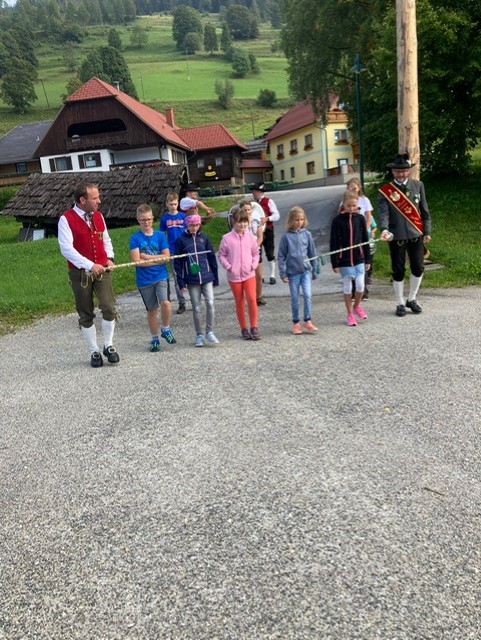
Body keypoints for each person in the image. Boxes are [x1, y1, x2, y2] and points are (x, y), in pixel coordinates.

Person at [58, 181, 120, 368]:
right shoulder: (66, 219)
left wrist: (109, 258)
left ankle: (108, 345)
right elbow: (66, 249)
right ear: (82, 200)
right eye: (95, 198)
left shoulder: (99, 216)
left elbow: (106, 239)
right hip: (79, 273)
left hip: (102, 270)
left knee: (109, 307)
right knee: (85, 312)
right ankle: (94, 351)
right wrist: (89, 265)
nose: (99, 201)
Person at [377, 153, 432, 317]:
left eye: (403, 171)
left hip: (415, 234)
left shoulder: (418, 185)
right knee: (398, 269)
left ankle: (412, 298)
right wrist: (384, 229)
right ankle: (400, 302)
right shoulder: (386, 191)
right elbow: (383, 213)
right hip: (396, 236)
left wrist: (427, 231)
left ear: (408, 171)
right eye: (397, 171)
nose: (400, 174)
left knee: (418, 267)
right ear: (393, 172)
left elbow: (424, 210)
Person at [129, 204, 177, 352]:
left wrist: (146, 257)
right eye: (143, 220)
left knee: (166, 303)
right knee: (152, 310)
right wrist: (157, 259)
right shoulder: (135, 238)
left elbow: (166, 257)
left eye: (149, 219)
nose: (146, 222)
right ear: (138, 220)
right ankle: (154, 338)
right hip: (144, 280)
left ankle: (166, 328)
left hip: (160, 275)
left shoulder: (160, 235)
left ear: (152, 219)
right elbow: (137, 261)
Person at [174, 212, 219, 347]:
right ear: (187, 225)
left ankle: (209, 331)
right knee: (196, 307)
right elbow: (178, 263)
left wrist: (215, 277)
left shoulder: (204, 238)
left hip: (207, 277)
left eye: (197, 225)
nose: (194, 228)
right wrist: (181, 281)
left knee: (210, 303)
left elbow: (212, 257)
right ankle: (199, 334)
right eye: (192, 225)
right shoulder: (181, 240)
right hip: (192, 280)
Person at [218, 207, 261, 340]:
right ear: (233, 222)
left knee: (252, 299)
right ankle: (243, 328)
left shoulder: (251, 237)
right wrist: (229, 267)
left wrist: (253, 265)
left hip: (249, 274)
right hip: (234, 276)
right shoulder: (226, 238)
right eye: (239, 222)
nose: (242, 225)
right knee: (239, 301)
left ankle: (254, 326)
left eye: (244, 222)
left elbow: (255, 253)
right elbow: (221, 255)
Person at [330, 191, 371, 327]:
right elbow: (334, 242)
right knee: (347, 287)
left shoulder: (360, 218)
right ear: (343, 205)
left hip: (359, 258)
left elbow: (365, 240)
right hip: (344, 260)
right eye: (349, 206)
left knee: (360, 286)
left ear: (357, 204)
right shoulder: (337, 221)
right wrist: (335, 262)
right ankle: (349, 314)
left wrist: (368, 259)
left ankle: (357, 306)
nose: (352, 208)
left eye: (354, 205)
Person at [277, 206, 319, 335]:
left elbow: (312, 253)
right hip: (292, 273)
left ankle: (307, 320)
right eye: (296, 220)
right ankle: (296, 323)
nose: (299, 222)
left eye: (301, 219)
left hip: (305, 271)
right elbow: (281, 256)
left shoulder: (307, 234)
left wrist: (314, 269)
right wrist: (283, 273)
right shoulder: (286, 237)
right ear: (291, 220)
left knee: (307, 295)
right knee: (295, 298)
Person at [228, 199, 265, 305]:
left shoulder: (256, 221)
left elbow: (260, 237)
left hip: (255, 250)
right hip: (243, 252)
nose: (247, 211)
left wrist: (254, 247)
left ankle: (258, 297)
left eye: (249, 209)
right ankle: (247, 297)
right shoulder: (239, 223)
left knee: (258, 275)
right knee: (246, 276)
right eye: (245, 210)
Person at [160, 191, 187, 314]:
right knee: (177, 276)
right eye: (171, 204)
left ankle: (195, 299)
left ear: (178, 203)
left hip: (184, 249)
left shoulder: (183, 216)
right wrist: (164, 250)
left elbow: (188, 232)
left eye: (175, 204)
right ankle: (182, 303)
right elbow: (162, 235)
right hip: (172, 250)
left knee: (189, 274)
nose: (173, 206)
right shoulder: (164, 219)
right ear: (167, 204)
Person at [346, 176, 373, 299]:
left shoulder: (364, 200)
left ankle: (363, 290)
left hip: (362, 234)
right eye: (350, 188)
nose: (352, 191)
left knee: (362, 261)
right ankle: (352, 289)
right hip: (350, 235)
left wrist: (364, 232)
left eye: (354, 188)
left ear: (359, 188)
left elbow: (368, 217)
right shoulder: (344, 201)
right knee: (350, 262)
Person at [251, 182, 280, 285]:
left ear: (260, 192)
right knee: (257, 252)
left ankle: (272, 275)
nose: (253, 193)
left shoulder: (269, 201)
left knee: (270, 252)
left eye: (254, 191)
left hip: (268, 230)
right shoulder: (252, 204)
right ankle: (260, 275)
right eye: (253, 191)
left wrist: (267, 218)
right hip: (256, 231)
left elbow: (277, 215)